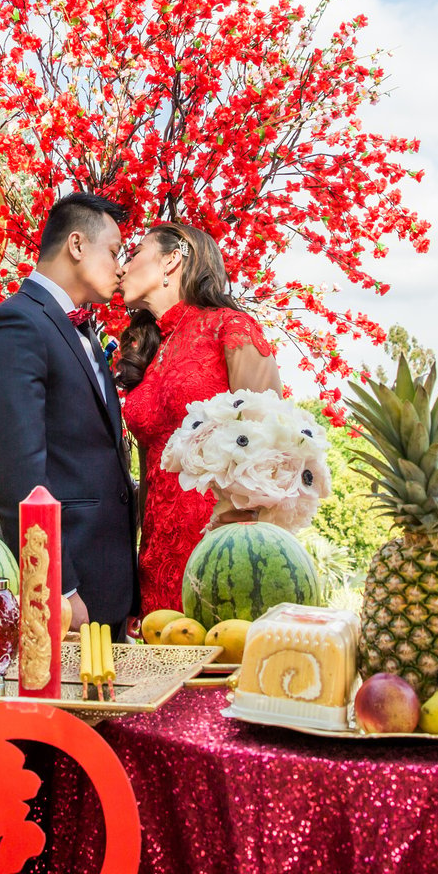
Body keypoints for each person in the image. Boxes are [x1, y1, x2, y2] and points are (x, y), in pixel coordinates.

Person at [0, 192, 138, 632]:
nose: (121, 267)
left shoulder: (79, 328)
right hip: (69, 592)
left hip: (109, 585)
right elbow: (16, 475)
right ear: (77, 245)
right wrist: (58, 588)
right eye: (115, 251)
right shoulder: (15, 324)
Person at [117, 221, 283, 618]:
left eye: (135, 253)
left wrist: (238, 540)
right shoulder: (152, 351)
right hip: (156, 556)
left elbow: (274, 442)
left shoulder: (230, 328)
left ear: (171, 260)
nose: (123, 267)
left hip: (221, 551)